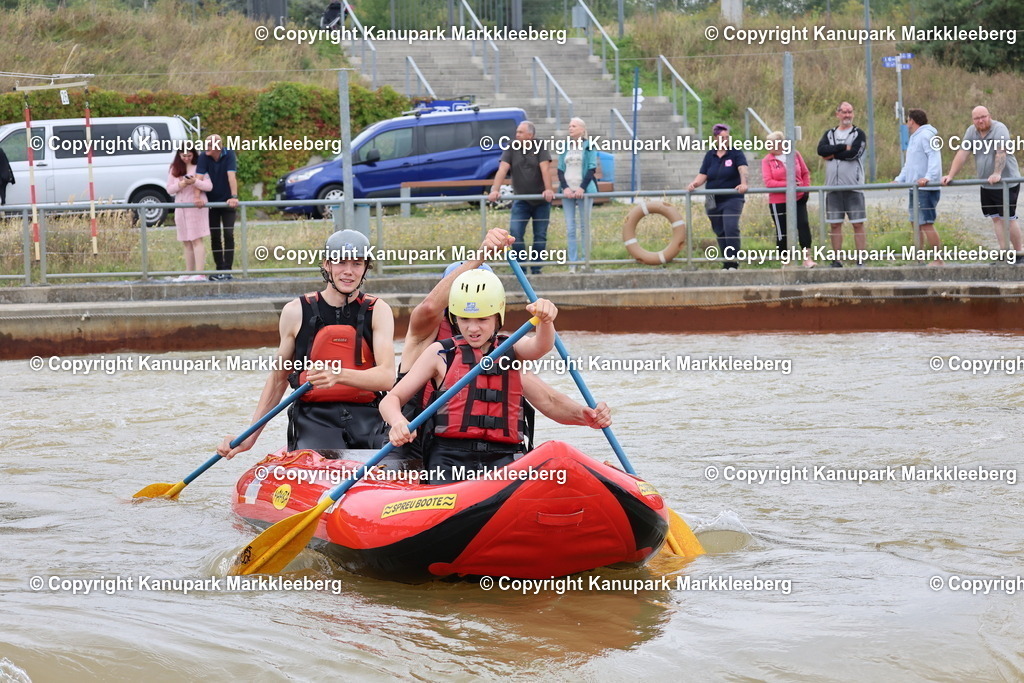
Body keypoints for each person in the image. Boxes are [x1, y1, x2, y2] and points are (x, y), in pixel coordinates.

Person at [396, 229, 612, 445]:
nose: (474, 312)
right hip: (414, 441)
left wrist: (586, 415)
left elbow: (548, 399)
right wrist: (481, 254)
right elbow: (429, 306)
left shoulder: (499, 349)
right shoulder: (423, 333)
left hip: (482, 453)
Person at [218, 230, 395, 459]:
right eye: (340, 262)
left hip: (368, 417)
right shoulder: (295, 311)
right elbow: (278, 379)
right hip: (314, 418)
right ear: (326, 264)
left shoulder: (378, 310)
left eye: (357, 263)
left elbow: (387, 377)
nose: (349, 271)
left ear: (366, 267)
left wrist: (338, 375)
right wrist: (250, 437)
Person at [380, 269, 559, 484]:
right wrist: (397, 421)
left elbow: (541, 346)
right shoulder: (440, 353)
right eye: (464, 319)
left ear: (497, 317)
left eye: (482, 319)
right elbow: (390, 400)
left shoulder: (512, 348)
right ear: (454, 318)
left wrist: (545, 321)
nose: (472, 328)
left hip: (502, 457)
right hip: (449, 459)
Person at [941, 105, 1023, 255]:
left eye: (983, 117)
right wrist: (950, 175)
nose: (980, 121)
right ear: (973, 120)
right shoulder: (971, 131)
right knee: (996, 219)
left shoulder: (999, 129)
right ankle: (1004, 253)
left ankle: (1019, 253)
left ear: (989, 116)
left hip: (1006, 183)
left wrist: (997, 173)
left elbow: (1001, 152)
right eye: (977, 118)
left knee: (1008, 218)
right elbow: (962, 153)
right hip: (986, 185)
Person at [487, 121, 556, 274]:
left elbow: (545, 168)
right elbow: (503, 168)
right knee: (515, 233)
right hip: (521, 199)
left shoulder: (540, 145)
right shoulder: (511, 146)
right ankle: (520, 269)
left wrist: (548, 190)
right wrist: (495, 189)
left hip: (541, 201)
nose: (517, 135)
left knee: (540, 235)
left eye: (520, 132)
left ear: (530, 135)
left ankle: (537, 269)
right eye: (517, 132)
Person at [687, 123, 748, 269]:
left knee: (730, 227)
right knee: (720, 230)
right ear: (715, 138)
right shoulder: (710, 155)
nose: (726, 140)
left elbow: (743, 168)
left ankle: (734, 261)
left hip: (731, 197)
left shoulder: (735, 153)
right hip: (712, 198)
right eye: (723, 138)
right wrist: (694, 184)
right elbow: (703, 174)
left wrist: (744, 183)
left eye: (728, 137)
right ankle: (726, 262)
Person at [817, 102, 868, 267]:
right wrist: (841, 148)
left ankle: (860, 259)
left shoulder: (858, 134)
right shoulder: (829, 134)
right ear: (837, 114)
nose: (847, 115)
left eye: (850, 112)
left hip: (854, 186)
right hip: (833, 188)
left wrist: (832, 154)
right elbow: (821, 150)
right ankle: (836, 260)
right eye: (844, 112)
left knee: (858, 223)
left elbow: (854, 153)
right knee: (835, 224)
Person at [895, 109, 943, 266]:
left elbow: (934, 157)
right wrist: (899, 180)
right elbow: (910, 165)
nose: (907, 124)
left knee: (926, 223)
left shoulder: (927, 135)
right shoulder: (915, 138)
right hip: (914, 188)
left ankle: (938, 259)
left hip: (925, 189)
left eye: (908, 120)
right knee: (915, 222)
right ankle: (919, 258)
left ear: (912, 121)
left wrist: (928, 177)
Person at [762, 131, 816, 268]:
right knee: (782, 231)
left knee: (803, 225)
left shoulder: (794, 154)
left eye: (771, 143)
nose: (768, 146)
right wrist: (790, 185)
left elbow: (805, 173)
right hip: (778, 200)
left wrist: (804, 189)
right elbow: (769, 182)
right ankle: (786, 261)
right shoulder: (767, 160)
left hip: (798, 198)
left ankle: (807, 258)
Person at [194, 134, 240, 280]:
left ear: (217, 147)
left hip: (227, 201)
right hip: (211, 201)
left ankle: (228, 270)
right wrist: (196, 197)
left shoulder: (229, 154)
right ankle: (219, 268)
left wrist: (234, 197)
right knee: (215, 235)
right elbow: (198, 177)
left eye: (208, 145)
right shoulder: (203, 157)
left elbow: (231, 176)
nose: (205, 148)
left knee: (228, 234)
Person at [557, 117, 598, 273]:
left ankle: (584, 261)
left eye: (573, 126)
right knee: (570, 228)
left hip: (585, 191)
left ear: (582, 129)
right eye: (569, 126)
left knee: (584, 226)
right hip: (567, 192)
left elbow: (591, 168)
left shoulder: (589, 145)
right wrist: (565, 188)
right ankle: (572, 262)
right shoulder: (564, 146)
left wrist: (582, 188)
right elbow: (560, 169)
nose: (570, 128)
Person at [166, 150, 212, 278]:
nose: (186, 158)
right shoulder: (174, 168)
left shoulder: (199, 167)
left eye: (189, 156)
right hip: (180, 208)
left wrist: (195, 182)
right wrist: (182, 183)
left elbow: (208, 186)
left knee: (196, 239)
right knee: (186, 240)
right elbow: (169, 189)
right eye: (184, 156)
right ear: (179, 155)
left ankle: (200, 273)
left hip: (196, 208)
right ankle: (189, 272)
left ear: (194, 155)